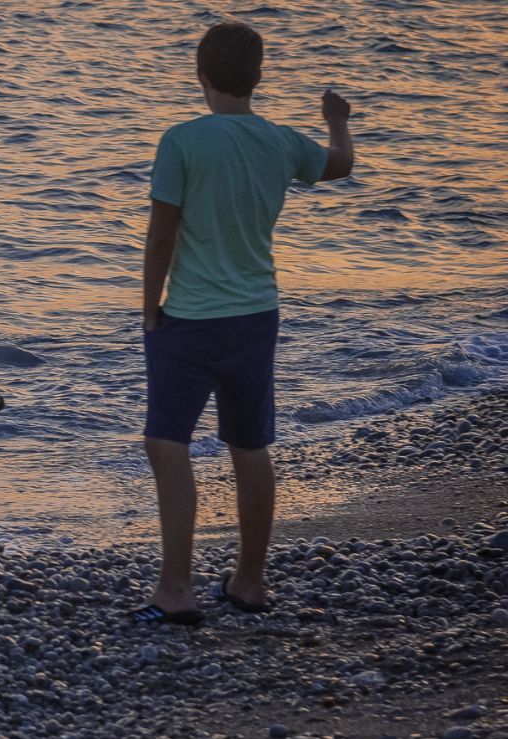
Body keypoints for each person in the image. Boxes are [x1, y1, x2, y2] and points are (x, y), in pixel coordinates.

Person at [132, 20, 354, 625]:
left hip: (193, 318)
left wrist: (149, 307)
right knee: (250, 444)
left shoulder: (182, 141)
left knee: (166, 441)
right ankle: (249, 581)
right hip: (257, 314)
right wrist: (336, 117)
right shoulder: (280, 141)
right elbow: (338, 164)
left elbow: (161, 236)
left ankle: (176, 588)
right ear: (258, 79)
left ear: (199, 75)